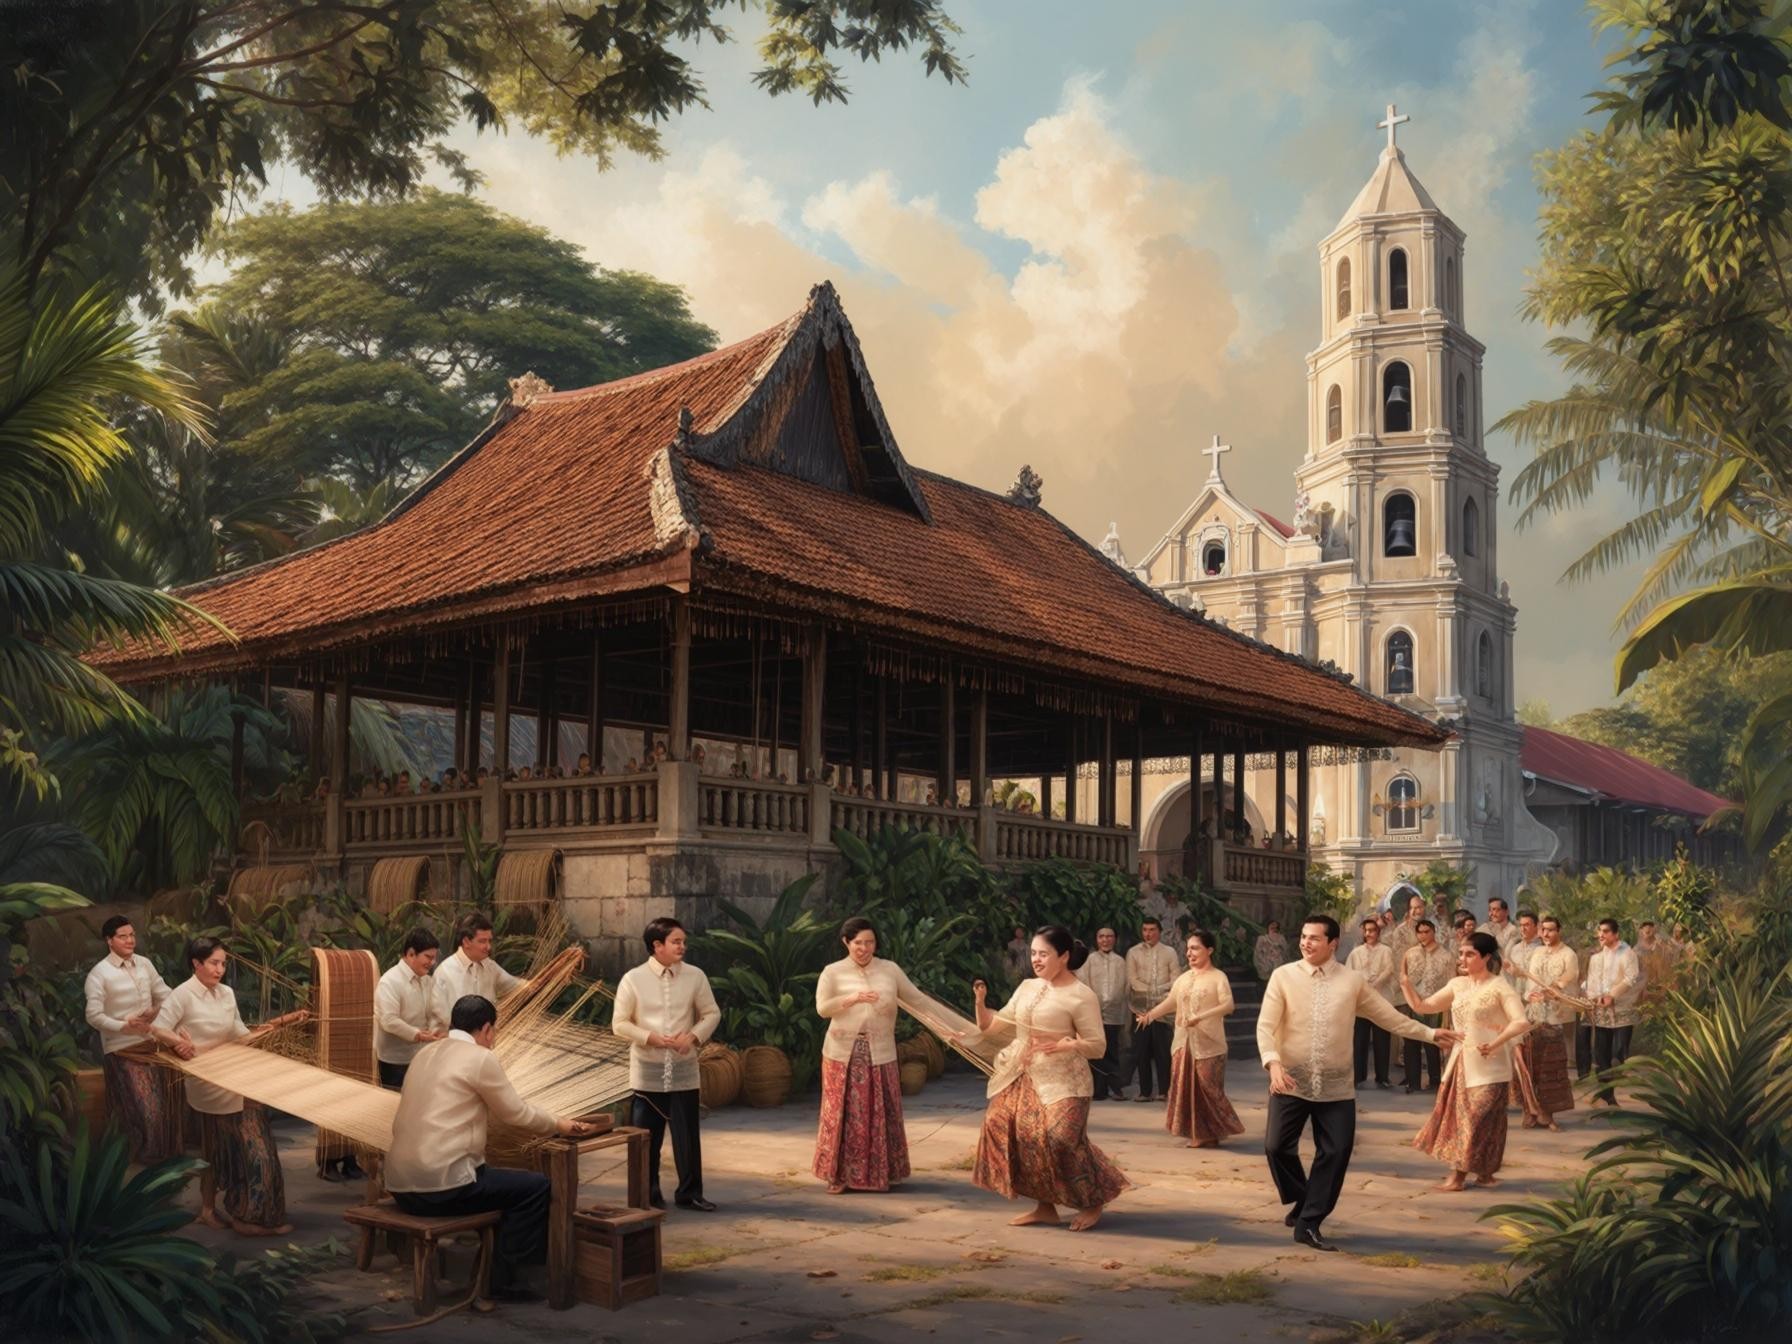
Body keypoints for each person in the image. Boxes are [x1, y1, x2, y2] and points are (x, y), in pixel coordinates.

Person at [1257, 914, 1457, 1251]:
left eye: (1314, 938)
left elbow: (1387, 1016)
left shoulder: (1351, 981)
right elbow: (1265, 1026)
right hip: (1290, 1079)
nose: (1306, 943)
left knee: (1336, 1152)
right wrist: (1272, 1063)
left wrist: (1430, 1033)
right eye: (1304, 937)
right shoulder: (1283, 977)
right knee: (1275, 1146)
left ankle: (1309, 1221)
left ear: (1333, 943)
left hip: (1337, 1086)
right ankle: (1303, 1196)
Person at [385, 994, 598, 1300]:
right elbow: (515, 1113)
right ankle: (504, 1282)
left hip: (399, 1185)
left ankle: (494, 1271)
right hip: (442, 1189)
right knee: (535, 1188)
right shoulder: (481, 1058)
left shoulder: (424, 1054)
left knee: (499, 1183)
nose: (494, 1039)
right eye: (494, 1032)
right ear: (486, 1029)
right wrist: (559, 1124)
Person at [965, 926, 1127, 1232]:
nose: (1036, 960)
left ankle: (1092, 1200)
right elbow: (992, 1026)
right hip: (1024, 1073)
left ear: (1063, 957)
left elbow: (1098, 1046)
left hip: (1066, 1080)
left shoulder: (1081, 996)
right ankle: (1045, 1207)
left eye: (1044, 954)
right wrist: (980, 1001)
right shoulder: (1027, 987)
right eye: (1034, 953)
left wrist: (1071, 1043)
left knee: (1061, 1138)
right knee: (1008, 1128)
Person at [153, 937, 302, 1235]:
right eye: (214, 963)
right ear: (196, 964)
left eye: (223, 963)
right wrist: (179, 1043)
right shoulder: (183, 995)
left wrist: (279, 1024)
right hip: (204, 1076)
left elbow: (239, 1035)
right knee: (251, 1125)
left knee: (252, 1116)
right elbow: (157, 1028)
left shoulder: (226, 994)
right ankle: (249, 1214)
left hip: (229, 1068)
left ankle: (250, 1209)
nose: (220, 969)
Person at [1402, 932, 1531, 1192]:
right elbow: (1423, 1006)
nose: (1463, 958)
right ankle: (1485, 1173)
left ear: (1485, 957)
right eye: (1461, 953)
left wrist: (1495, 1042)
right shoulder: (1457, 984)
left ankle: (1458, 1176)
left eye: (1470, 954)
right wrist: (1405, 984)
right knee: (1469, 1119)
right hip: (1461, 1062)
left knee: (1479, 1118)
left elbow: (1521, 1022)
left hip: (1492, 1065)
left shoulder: (1499, 987)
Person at [611, 917, 721, 1211]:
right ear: (656, 946)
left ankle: (690, 1194)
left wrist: (694, 1037)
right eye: (676, 942)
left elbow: (712, 1013)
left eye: (683, 942)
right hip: (647, 1068)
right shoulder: (633, 979)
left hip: (684, 1067)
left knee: (688, 1136)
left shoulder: (695, 976)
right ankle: (647, 1194)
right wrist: (650, 1037)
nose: (682, 947)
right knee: (646, 1137)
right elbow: (619, 1024)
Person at [812, 916, 927, 1194]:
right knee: (841, 1114)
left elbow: (917, 999)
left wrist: (949, 1028)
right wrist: (853, 999)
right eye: (858, 943)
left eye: (870, 942)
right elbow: (822, 1008)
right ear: (846, 942)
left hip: (881, 1052)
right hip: (842, 1053)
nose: (864, 948)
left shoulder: (890, 970)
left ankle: (880, 1174)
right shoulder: (833, 971)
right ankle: (838, 1176)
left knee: (880, 1113)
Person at [83, 915, 178, 1163]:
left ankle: (168, 1159)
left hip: (152, 1042)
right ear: (109, 941)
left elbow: (166, 995)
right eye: (123, 936)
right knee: (147, 1106)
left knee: (168, 1099)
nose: (130, 940)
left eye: (132, 935)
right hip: (121, 1048)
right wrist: (124, 1026)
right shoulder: (99, 974)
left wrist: (156, 1010)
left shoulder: (144, 964)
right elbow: (93, 1016)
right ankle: (148, 1159)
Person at [1136, 929, 1241, 1148]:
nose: (1189, 953)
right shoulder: (1183, 979)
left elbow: (1228, 1005)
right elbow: (1171, 1002)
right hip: (1183, 1041)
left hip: (1210, 1044)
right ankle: (1201, 1133)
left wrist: (1200, 1017)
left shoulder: (1218, 977)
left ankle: (1214, 1130)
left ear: (1209, 950)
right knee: (1187, 1090)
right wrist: (1149, 1016)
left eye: (1195, 948)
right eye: (1188, 949)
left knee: (1208, 1090)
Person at [1515, 916, 1578, 1131]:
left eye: (1550, 930)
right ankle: (1529, 1111)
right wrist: (1530, 995)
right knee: (1529, 1065)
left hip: (1555, 1018)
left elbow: (1568, 981)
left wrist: (1552, 991)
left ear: (1559, 930)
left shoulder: (1568, 955)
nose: (1546, 934)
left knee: (1550, 1068)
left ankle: (1547, 1114)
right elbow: (1530, 980)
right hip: (1533, 1016)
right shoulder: (1537, 952)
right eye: (1543, 930)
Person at [375, 927, 447, 1089]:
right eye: (428, 957)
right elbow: (388, 1020)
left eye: (434, 958)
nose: (432, 963)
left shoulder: (427, 981)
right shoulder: (390, 981)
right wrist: (417, 1035)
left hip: (422, 1057)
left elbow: (435, 1011)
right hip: (395, 1062)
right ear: (411, 953)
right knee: (393, 1106)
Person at [1584, 918, 1642, 1105]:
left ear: (1616, 934)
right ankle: (1606, 1095)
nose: (1601, 935)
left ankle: (1608, 1091)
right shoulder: (1596, 957)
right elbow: (1591, 981)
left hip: (1622, 1011)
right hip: (1601, 1012)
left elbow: (1631, 977)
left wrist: (1613, 995)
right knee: (1601, 1055)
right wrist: (1594, 998)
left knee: (1619, 1055)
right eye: (1599, 931)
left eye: (1606, 931)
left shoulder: (1628, 954)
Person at [1126, 917, 1180, 1103]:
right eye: (1145, 929)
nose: (1148, 933)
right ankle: (1145, 1091)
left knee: (1162, 1051)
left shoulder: (1169, 952)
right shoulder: (1133, 952)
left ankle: (1164, 1091)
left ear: (1159, 931)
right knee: (1141, 1051)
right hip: (1140, 1008)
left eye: (1152, 929)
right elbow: (1132, 980)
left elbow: (1176, 979)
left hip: (1163, 1009)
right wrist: (1154, 990)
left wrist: (1159, 991)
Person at [433, 912, 523, 1023]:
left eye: (489, 941)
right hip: (457, 1038)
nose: (488, 947)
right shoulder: (444, 973)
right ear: (466, 942)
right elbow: (437, 1020)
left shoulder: (490, 967)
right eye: (482, 941)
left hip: (491, 1037)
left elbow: (518, 987)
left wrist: (544, 979)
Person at [1075, 927, 1130, 1101]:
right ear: (1097, 939)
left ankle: (1116, 1088)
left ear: (1115, 939)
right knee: (1095, 1052)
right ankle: (1099, 1091)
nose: (1105, 940)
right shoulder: (1089, 960)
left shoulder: (1120, 961)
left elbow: (1125, 987)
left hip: (1114, 1015)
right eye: (1101, 937)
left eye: (1109, 936)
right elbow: (1083, 984)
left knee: (1112, 1050)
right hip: (1094, 1014)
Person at [1400, 919, 1454, 1093]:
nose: (1423, 935)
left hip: (1435, 1004)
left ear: (1433, 932)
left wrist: (1446, 1006)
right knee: (1411, 1042)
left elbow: (1451, 983)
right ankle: (1413, 1082)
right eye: (1420, 932)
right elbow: (1403, 976)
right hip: (1412, 1003)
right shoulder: (1410, 954)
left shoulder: (1446, 956)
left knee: (1433, 1043)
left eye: (1426, 931)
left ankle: (1435, 1081)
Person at [1345, 918, 1396, 1090]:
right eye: (1366, 930)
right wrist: (1363, 983)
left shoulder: (1386, 951)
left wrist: (1375, 984)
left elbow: (1389, 970)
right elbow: (1349, 973)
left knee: (1382, 1039)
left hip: (1381, 999)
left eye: (1372, 930)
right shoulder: (1356, 953)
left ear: (1378, 932)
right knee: (1359, 1040)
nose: (1369, 934)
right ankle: (1358, 1076)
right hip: (1361, 1002)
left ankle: (1382, 1077)